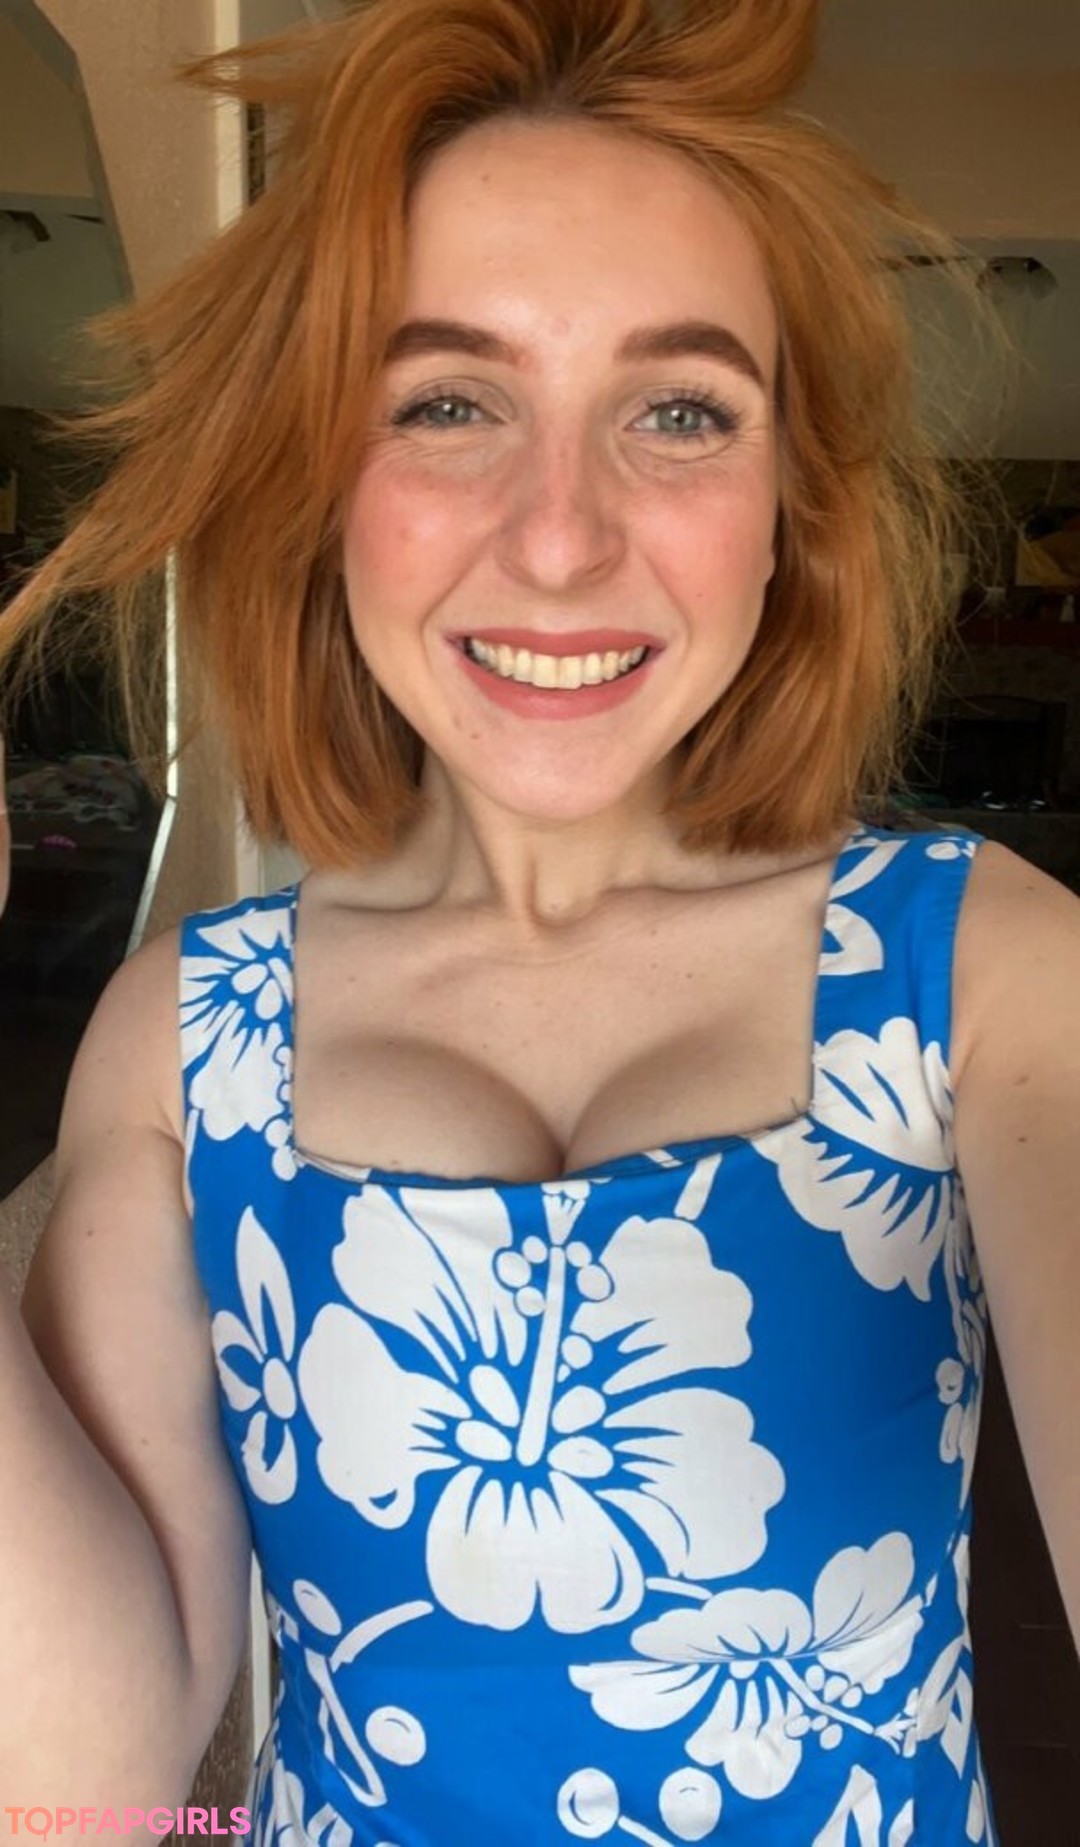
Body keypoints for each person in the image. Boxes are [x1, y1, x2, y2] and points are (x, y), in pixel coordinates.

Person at [0, 1, 1076, 1842]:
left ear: (788, 505)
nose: (561, 538)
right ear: (322, 484)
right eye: (446, 402)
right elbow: (73, 1789)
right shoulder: (188, 1038)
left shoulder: (982, 973)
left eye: (679, 410)